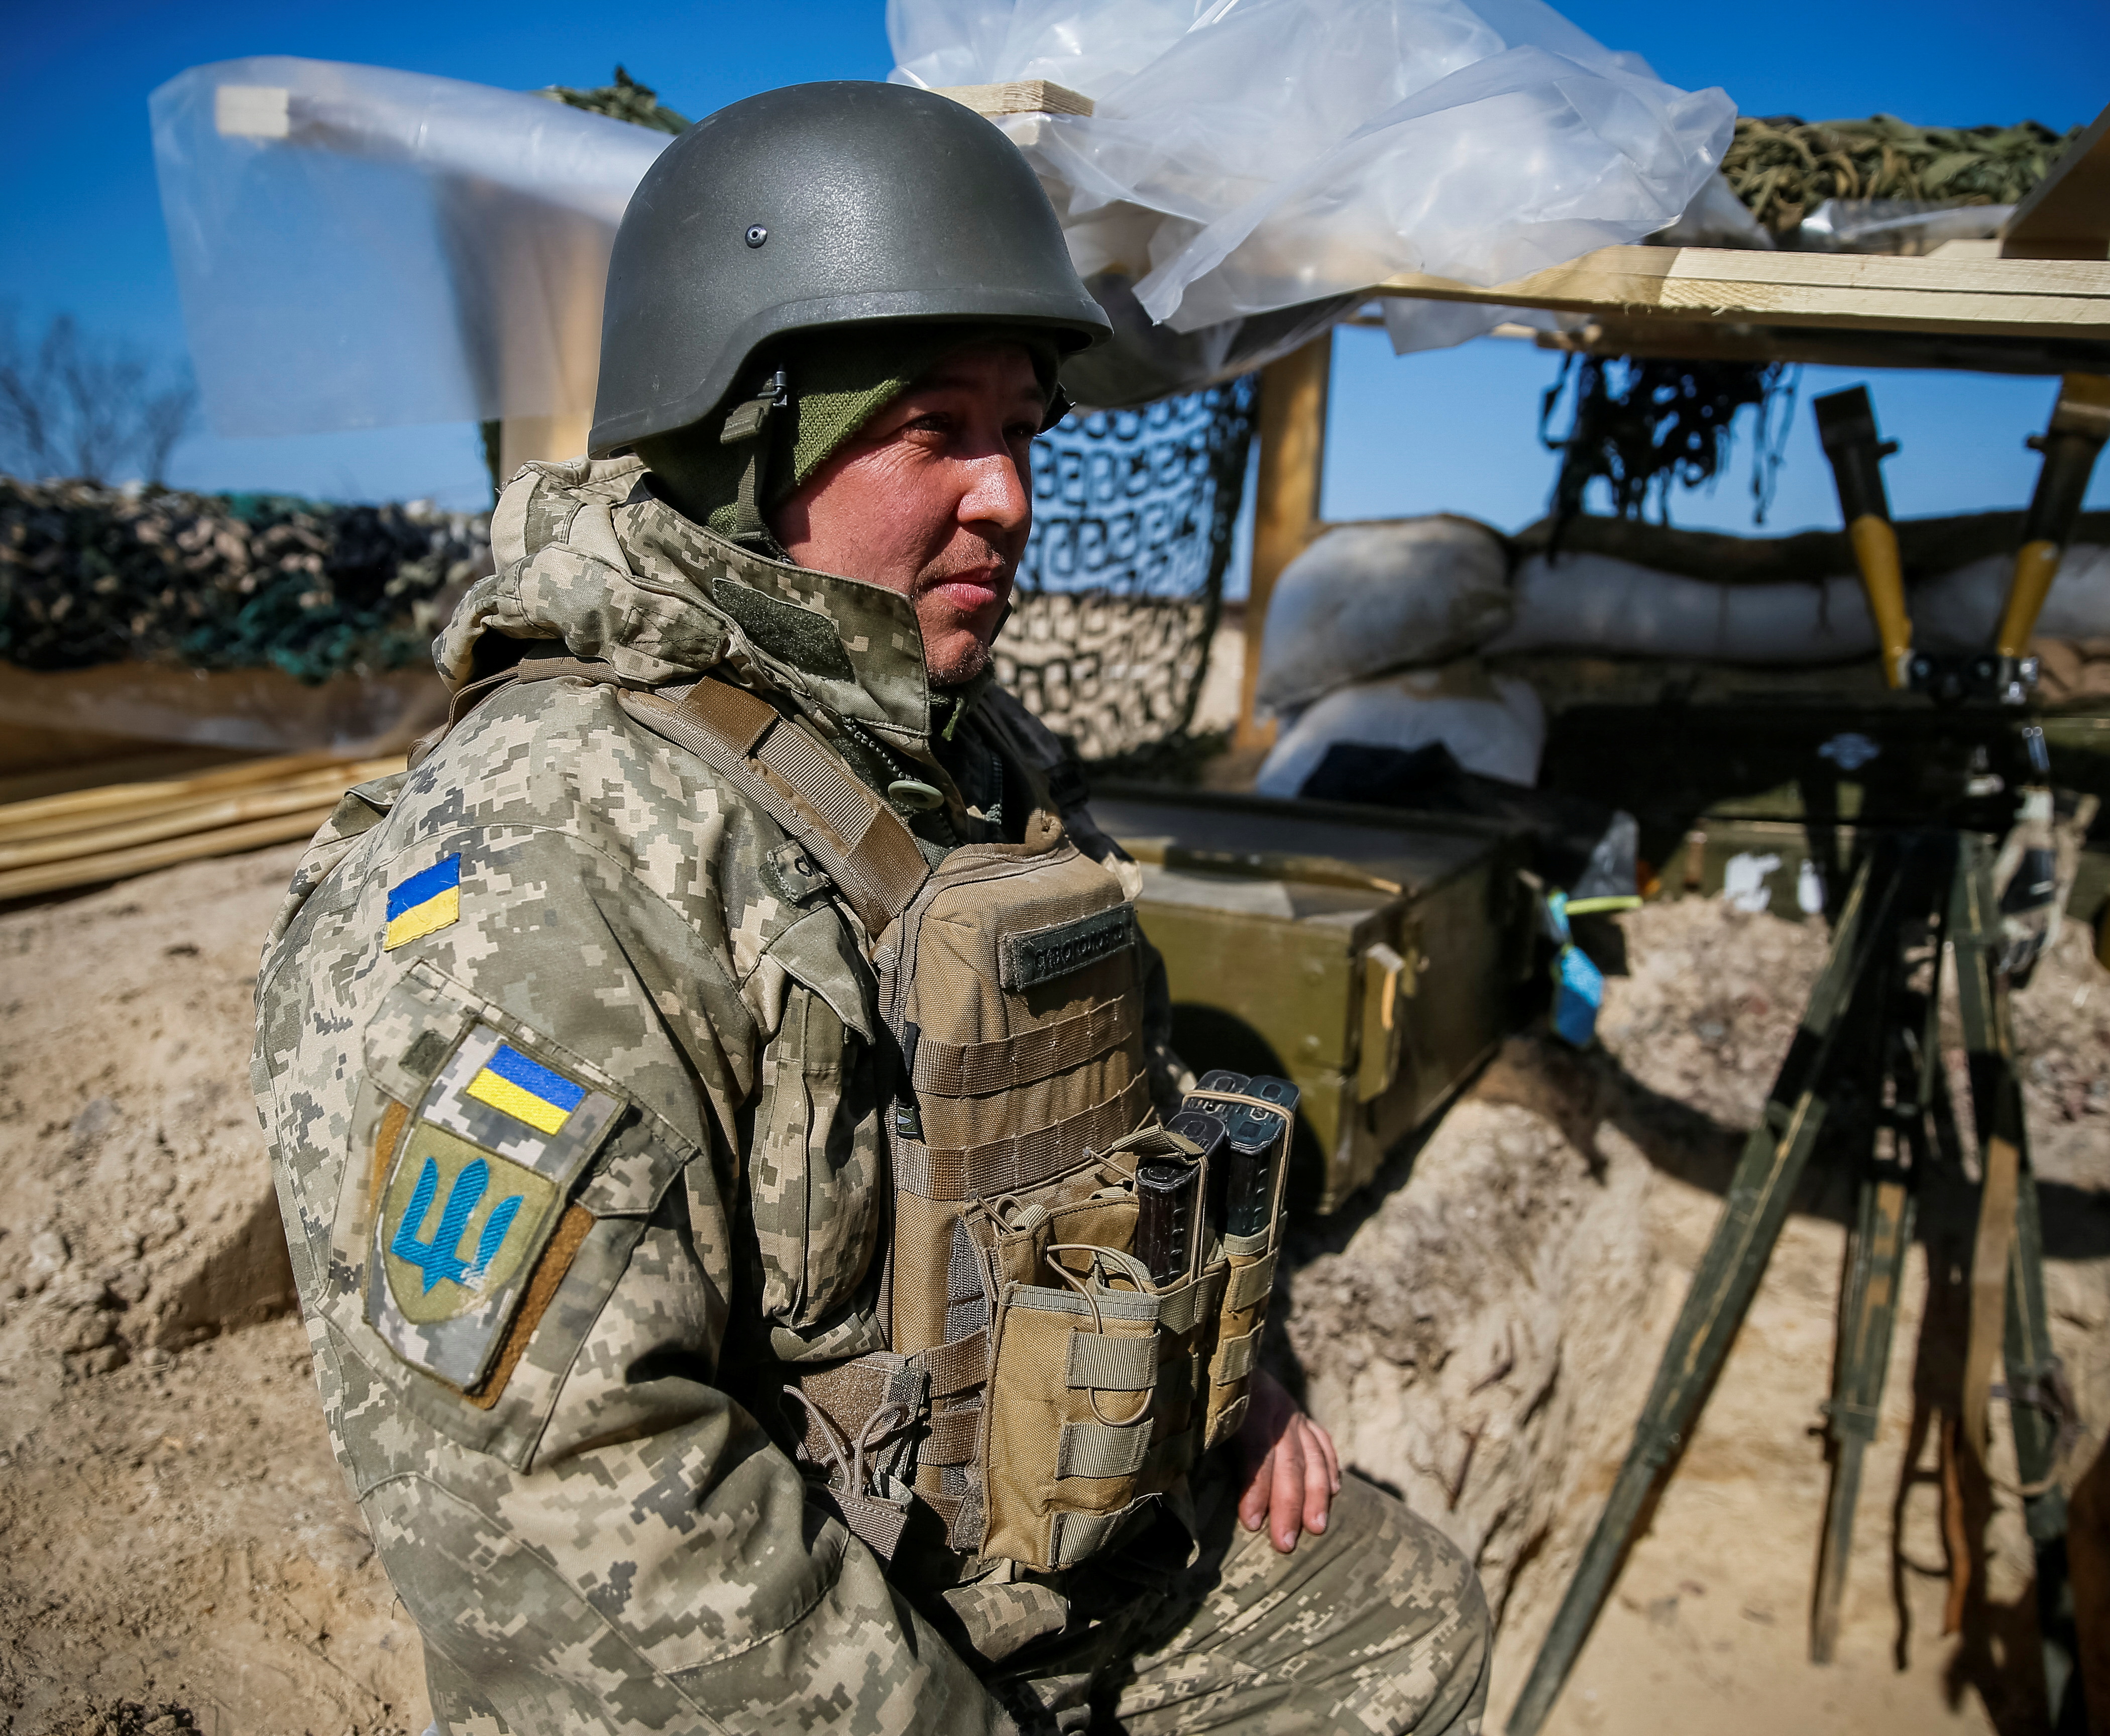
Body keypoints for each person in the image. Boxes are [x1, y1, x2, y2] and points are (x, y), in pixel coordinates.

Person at [254, 80, 1489, 1735]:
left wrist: (1218, 1381)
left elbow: (1081, 1123)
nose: (1009, 500)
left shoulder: (941, 748)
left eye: (1022, 429)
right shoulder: (556, 851)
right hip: (783, 1653)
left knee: (1404, 1618)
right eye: (932, 428)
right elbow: (568, 1504)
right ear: (749, 432)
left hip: (1026, 1549)